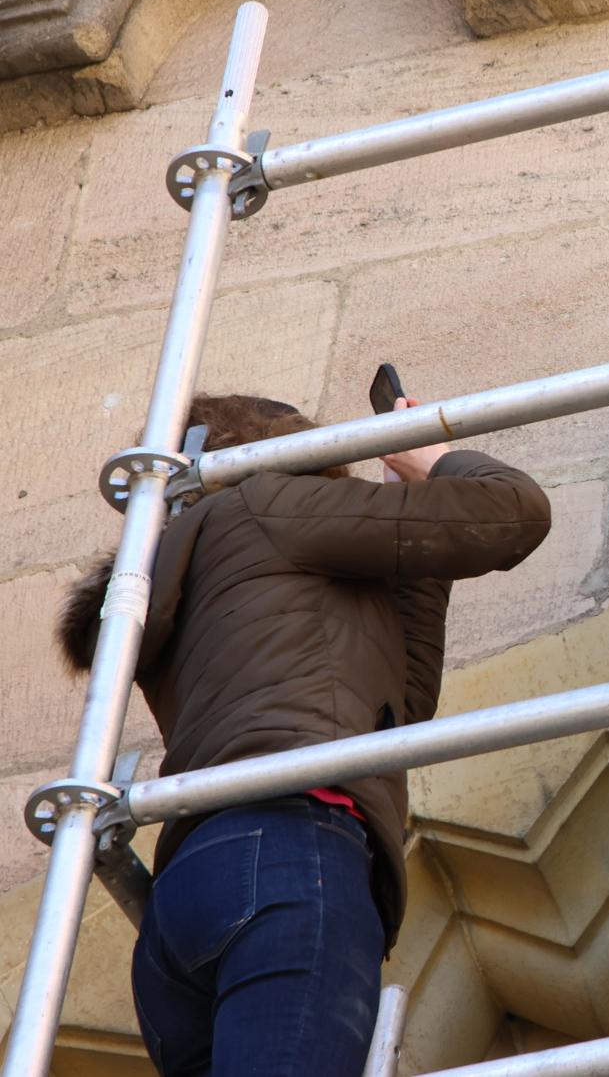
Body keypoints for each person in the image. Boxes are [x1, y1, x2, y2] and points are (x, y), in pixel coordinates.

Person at [57, 393, 553, 1077]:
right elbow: (512, 512)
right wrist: (433, 456)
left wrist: (404, 517)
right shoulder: (266, 506)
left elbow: (394, 710)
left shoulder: (181, 577)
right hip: (291, 855)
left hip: (190, 897)